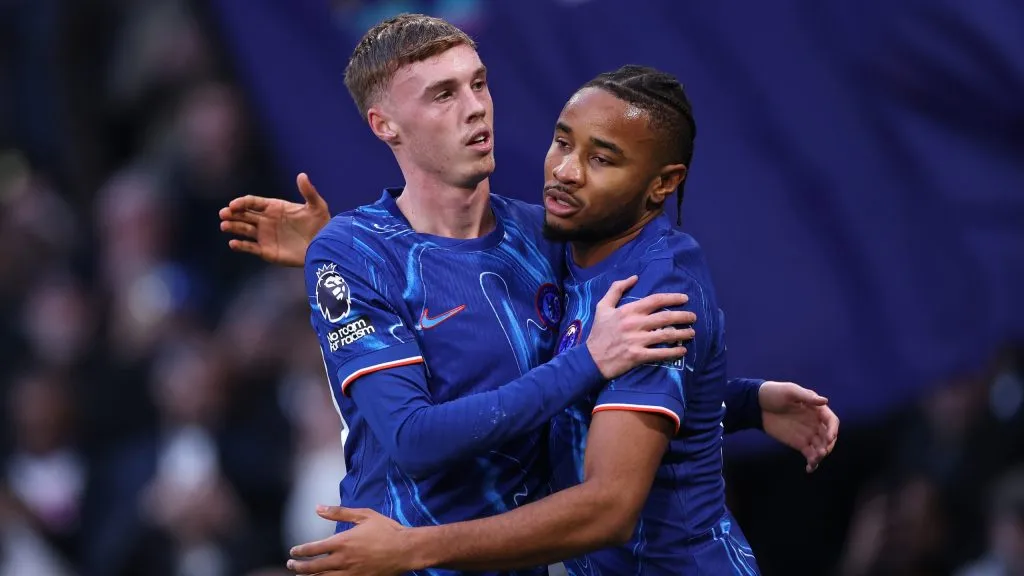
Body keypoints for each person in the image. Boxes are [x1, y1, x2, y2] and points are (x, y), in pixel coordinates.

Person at [218, 14, 838, 576]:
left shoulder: (548, 238)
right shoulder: (356, 252)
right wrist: (337, 255)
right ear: (385, 125)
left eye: (478, 83)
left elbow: (608, 386)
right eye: (443, 94)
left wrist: (739, 402)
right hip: (400, 560)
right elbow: (413, 439)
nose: (476, 108)